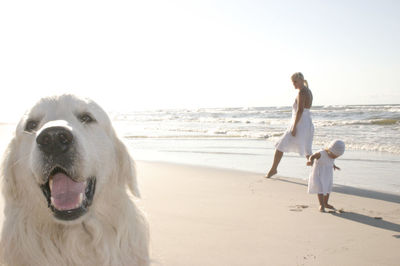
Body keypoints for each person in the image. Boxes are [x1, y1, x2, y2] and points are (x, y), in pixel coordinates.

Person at [265, 72, 314, 178]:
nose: (294, 84)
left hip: (300, 123)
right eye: (293, 82)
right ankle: (319, 173)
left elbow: (300, 110)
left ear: (301, 80)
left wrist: (294, 127)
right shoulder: (308, 91)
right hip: (307, 123)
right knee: (307, 150)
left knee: (280, 145)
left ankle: (273, 170)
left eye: (295, 81)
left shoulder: (302, 92)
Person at [307, 140, 345, 212]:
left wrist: (334, 165)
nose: (334, 158)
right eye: (334, 155)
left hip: (328, 174)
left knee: (327, 188)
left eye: (337, 157)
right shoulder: (321, 153)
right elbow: (312, 156)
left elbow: (330, 161)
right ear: (330, 150)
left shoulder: (332, 156)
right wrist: (310, 161)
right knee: (320, 189)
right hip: (319, 174)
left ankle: (326, 203)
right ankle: (321, 204)